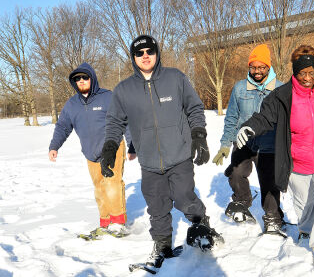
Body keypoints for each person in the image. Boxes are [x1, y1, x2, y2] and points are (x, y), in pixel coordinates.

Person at [100, 35, 222, 269]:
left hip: (179, 154)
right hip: (149, 161)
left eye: (149, 51)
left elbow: (195, 107)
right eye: (139, 53)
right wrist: (109, 148)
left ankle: (202, 227)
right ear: (133, 58)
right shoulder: (124, 89)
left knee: (185, 197)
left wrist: (199, 136)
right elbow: (115, 122)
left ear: (156, 53)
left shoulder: (175, 78)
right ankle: (162, 244)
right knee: (156, 206)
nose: (145, 56)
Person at [236, 45, 314, 266]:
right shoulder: (282, 96)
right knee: (304, 203)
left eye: (311, 73)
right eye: (301, 73)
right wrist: (249, 127)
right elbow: (264, 117)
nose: (306, 78)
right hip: (297, 159)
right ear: (294, 72)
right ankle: (305, 229)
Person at [48, 62, 134, 238]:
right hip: (90, 152)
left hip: (113, 147)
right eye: (77, 79)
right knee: (99, 187)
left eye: (84, 77)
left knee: (112, 182)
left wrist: (132, 145)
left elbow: (124, 120)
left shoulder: (108, 97)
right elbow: (63, 126)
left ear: (92, 78)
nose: (81, 81)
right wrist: (54, 146)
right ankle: (105, 222)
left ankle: (118, 223)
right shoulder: (72, 104)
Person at [212, 44, 286, 236]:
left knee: (268, 181)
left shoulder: (280, 89)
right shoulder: (239, 88)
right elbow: (231, 118)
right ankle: (242, 202)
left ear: (269, 67)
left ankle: (273, 218)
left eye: (261, 67)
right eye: (253, 67)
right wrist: (225, 144)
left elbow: (287, 120)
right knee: (236, 173)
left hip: (269, 143)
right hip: (243, 141)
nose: (257, 71)